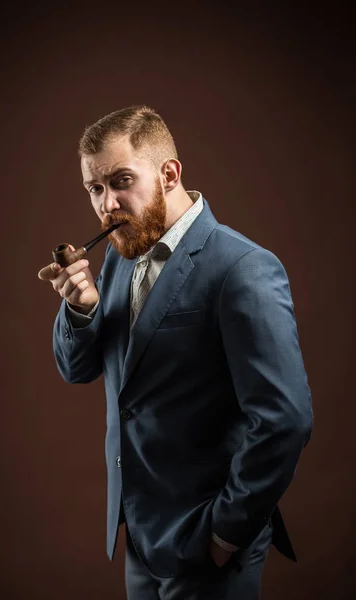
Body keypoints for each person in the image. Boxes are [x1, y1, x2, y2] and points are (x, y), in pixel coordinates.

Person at [47, 105, 313, 599]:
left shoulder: (243, 267)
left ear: (169, 174)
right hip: (142, 537)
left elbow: (285, 420)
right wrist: (81, 309)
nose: (107, 204)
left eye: (121, 180)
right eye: (95, 188)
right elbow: (76, 369)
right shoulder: (119, 260)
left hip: (208, 542)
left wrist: (223, 535)